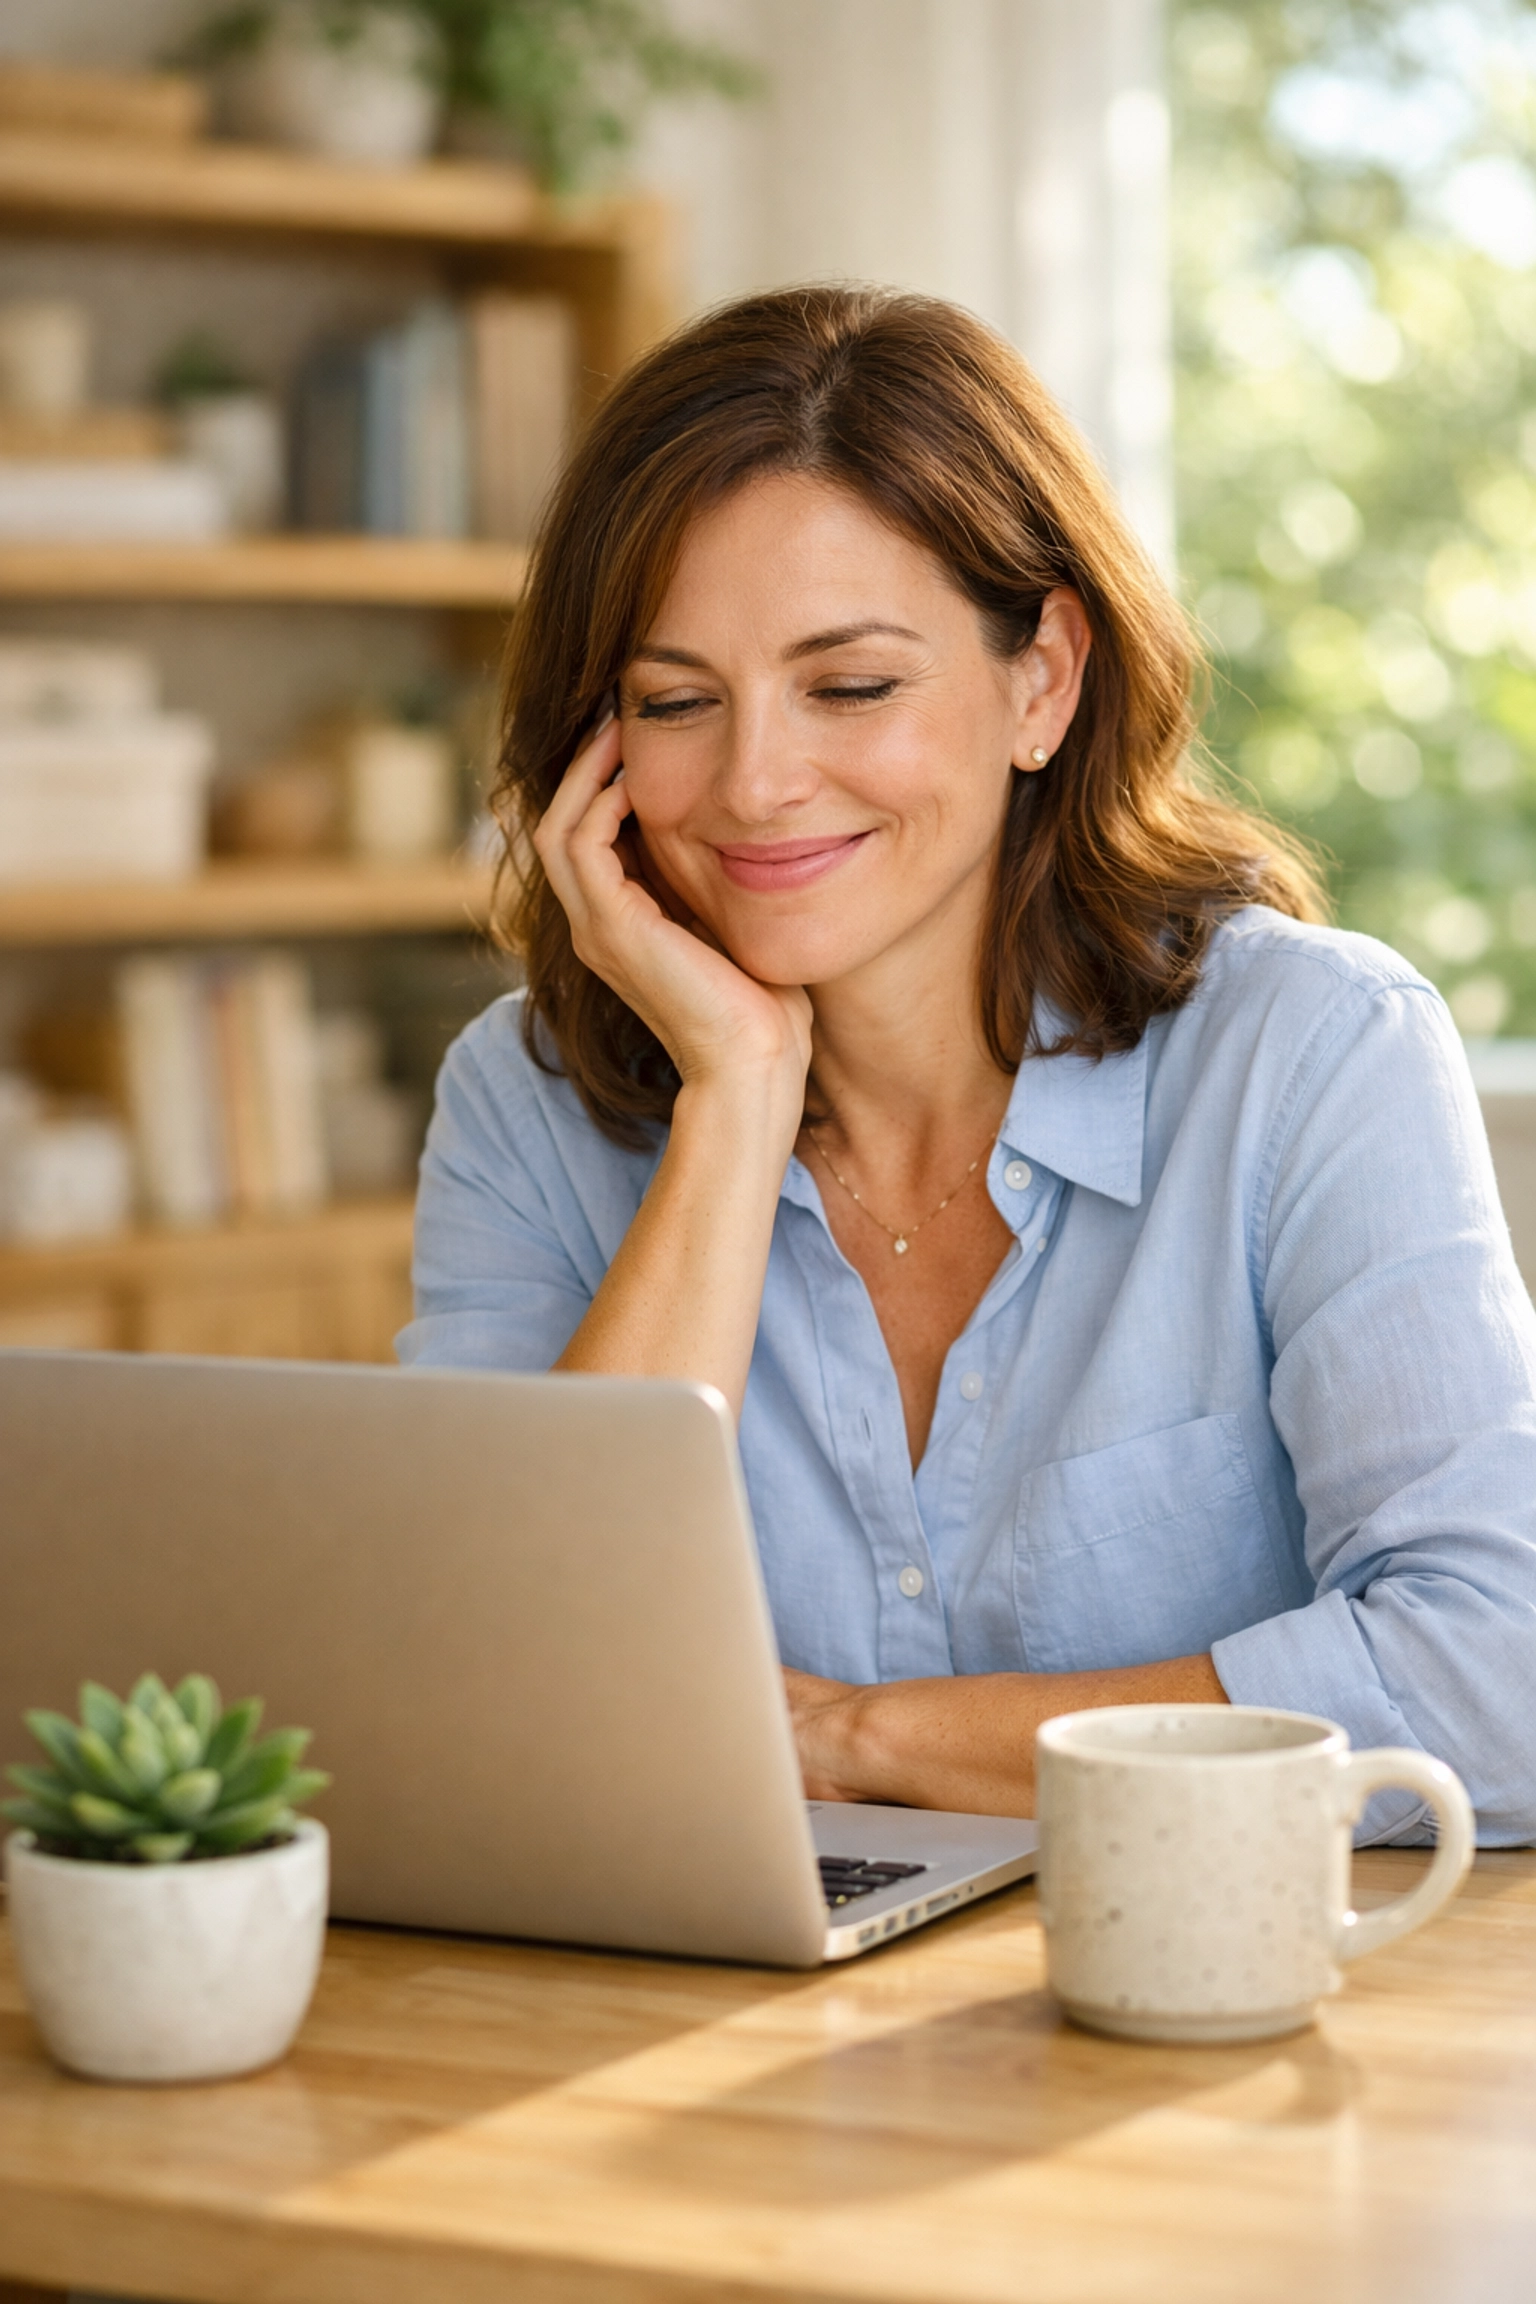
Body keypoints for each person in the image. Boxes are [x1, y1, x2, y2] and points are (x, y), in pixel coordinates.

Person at [399, 285, 1536, 1844]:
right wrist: (733, 1102)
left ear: (1041, 680)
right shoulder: (523, 1107)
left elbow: (1500, 1680)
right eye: (675, 702)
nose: (757, 781)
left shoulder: (1311, 1054)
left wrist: (862, 1738)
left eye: (850, 686)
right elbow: (481, 1695)